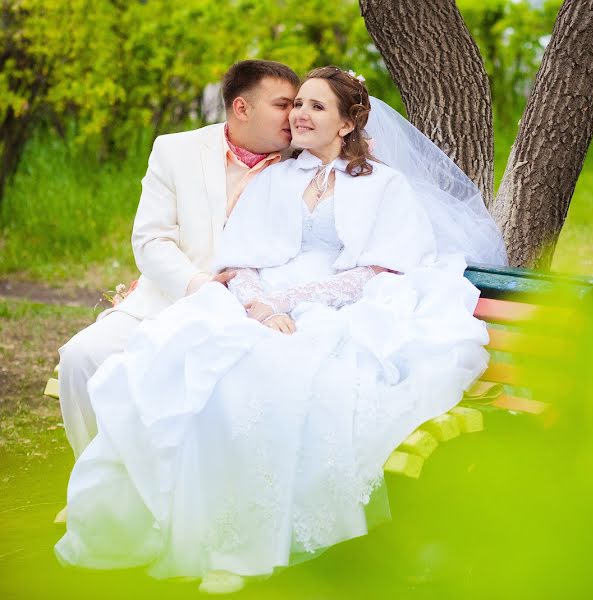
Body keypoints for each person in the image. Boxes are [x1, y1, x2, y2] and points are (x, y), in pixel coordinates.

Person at [55, 66, 507, 593]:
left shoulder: (384, 184)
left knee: (271, 377)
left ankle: (244, 548)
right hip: (258, 301)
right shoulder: (276, 177)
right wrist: (257, 306)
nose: (299, 115)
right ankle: (173, 524)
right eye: (296, 105)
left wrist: (288, 302)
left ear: (347, 123)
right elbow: (239, 261)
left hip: (342, 303)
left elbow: (380, 268)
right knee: (187, 364)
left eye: (316, 106)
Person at [56, 60, 300, 461]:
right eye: (282, 105)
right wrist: (198, 285)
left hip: (257, 310)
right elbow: (151, 240)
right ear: (242, 108)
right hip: (172, 299)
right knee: (82, 358)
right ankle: (99, 480)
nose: (294, 116)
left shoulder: (305, 159)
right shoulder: (175, 150)